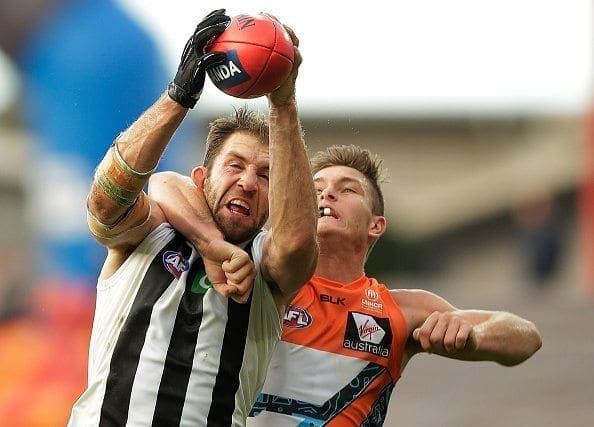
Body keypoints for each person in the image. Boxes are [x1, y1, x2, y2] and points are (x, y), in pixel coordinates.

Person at [150, 144, 543, 426]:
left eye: (347, 188)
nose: (327, 193)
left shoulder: (401, 310)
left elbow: (525, 338)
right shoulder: (253, 266)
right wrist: (210, 243)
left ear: (376, 225)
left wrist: (471, 335)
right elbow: (166, 183)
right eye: (316, 187)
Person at [68, 9, 318, 427]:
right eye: (235, 166)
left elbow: (296, 243)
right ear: (200, 178)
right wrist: (178, 97)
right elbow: (105, 203)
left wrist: (283, 103)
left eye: (265, 175)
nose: (248, 183)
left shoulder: (266, 270)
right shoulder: (151, 232)